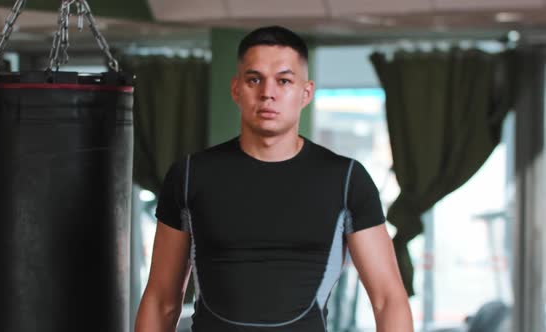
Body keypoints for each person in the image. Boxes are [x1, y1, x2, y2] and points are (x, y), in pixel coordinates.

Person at [135, 26, 413, 332]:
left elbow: (388, 299)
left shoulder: (346, 179)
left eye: (284, 80)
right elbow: (162, 299)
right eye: (254, 80)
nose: (268, 92)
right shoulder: (189, 175)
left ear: (305, 92)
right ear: (236, 89)